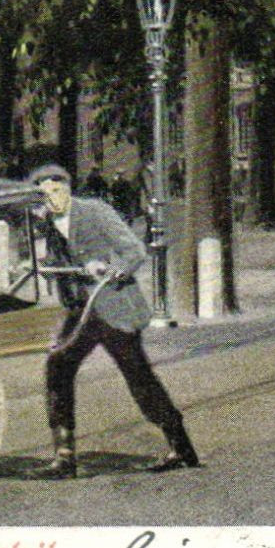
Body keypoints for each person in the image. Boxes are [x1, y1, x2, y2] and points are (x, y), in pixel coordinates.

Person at [25, 163, 199, 479]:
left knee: (138, 376)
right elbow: (60, 260)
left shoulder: (95, 211)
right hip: (82, 311)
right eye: (45, 195)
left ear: (68, 188)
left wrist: (107, 266)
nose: (52, 199)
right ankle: (65, 457)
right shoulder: (49, 224)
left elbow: (133, 250)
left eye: (57, 190)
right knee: (58, 366)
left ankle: (180, 446)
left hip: (115, 307)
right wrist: (37, 264)